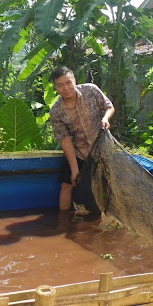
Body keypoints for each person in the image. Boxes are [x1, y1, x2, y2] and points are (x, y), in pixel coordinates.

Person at [49, 66, 115, 211]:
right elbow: (65, 140)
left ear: (74, 80)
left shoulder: (90, 90)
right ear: (56, 88)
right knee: (67, 184)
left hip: (102, 150)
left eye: (68, 83)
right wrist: (74, 170)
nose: (65, 88)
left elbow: (109, 107)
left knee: (105, 185)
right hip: (80, 152)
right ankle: (63, 223)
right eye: (60, 85)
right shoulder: (56, 111)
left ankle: (105, 218)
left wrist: (105, 118)